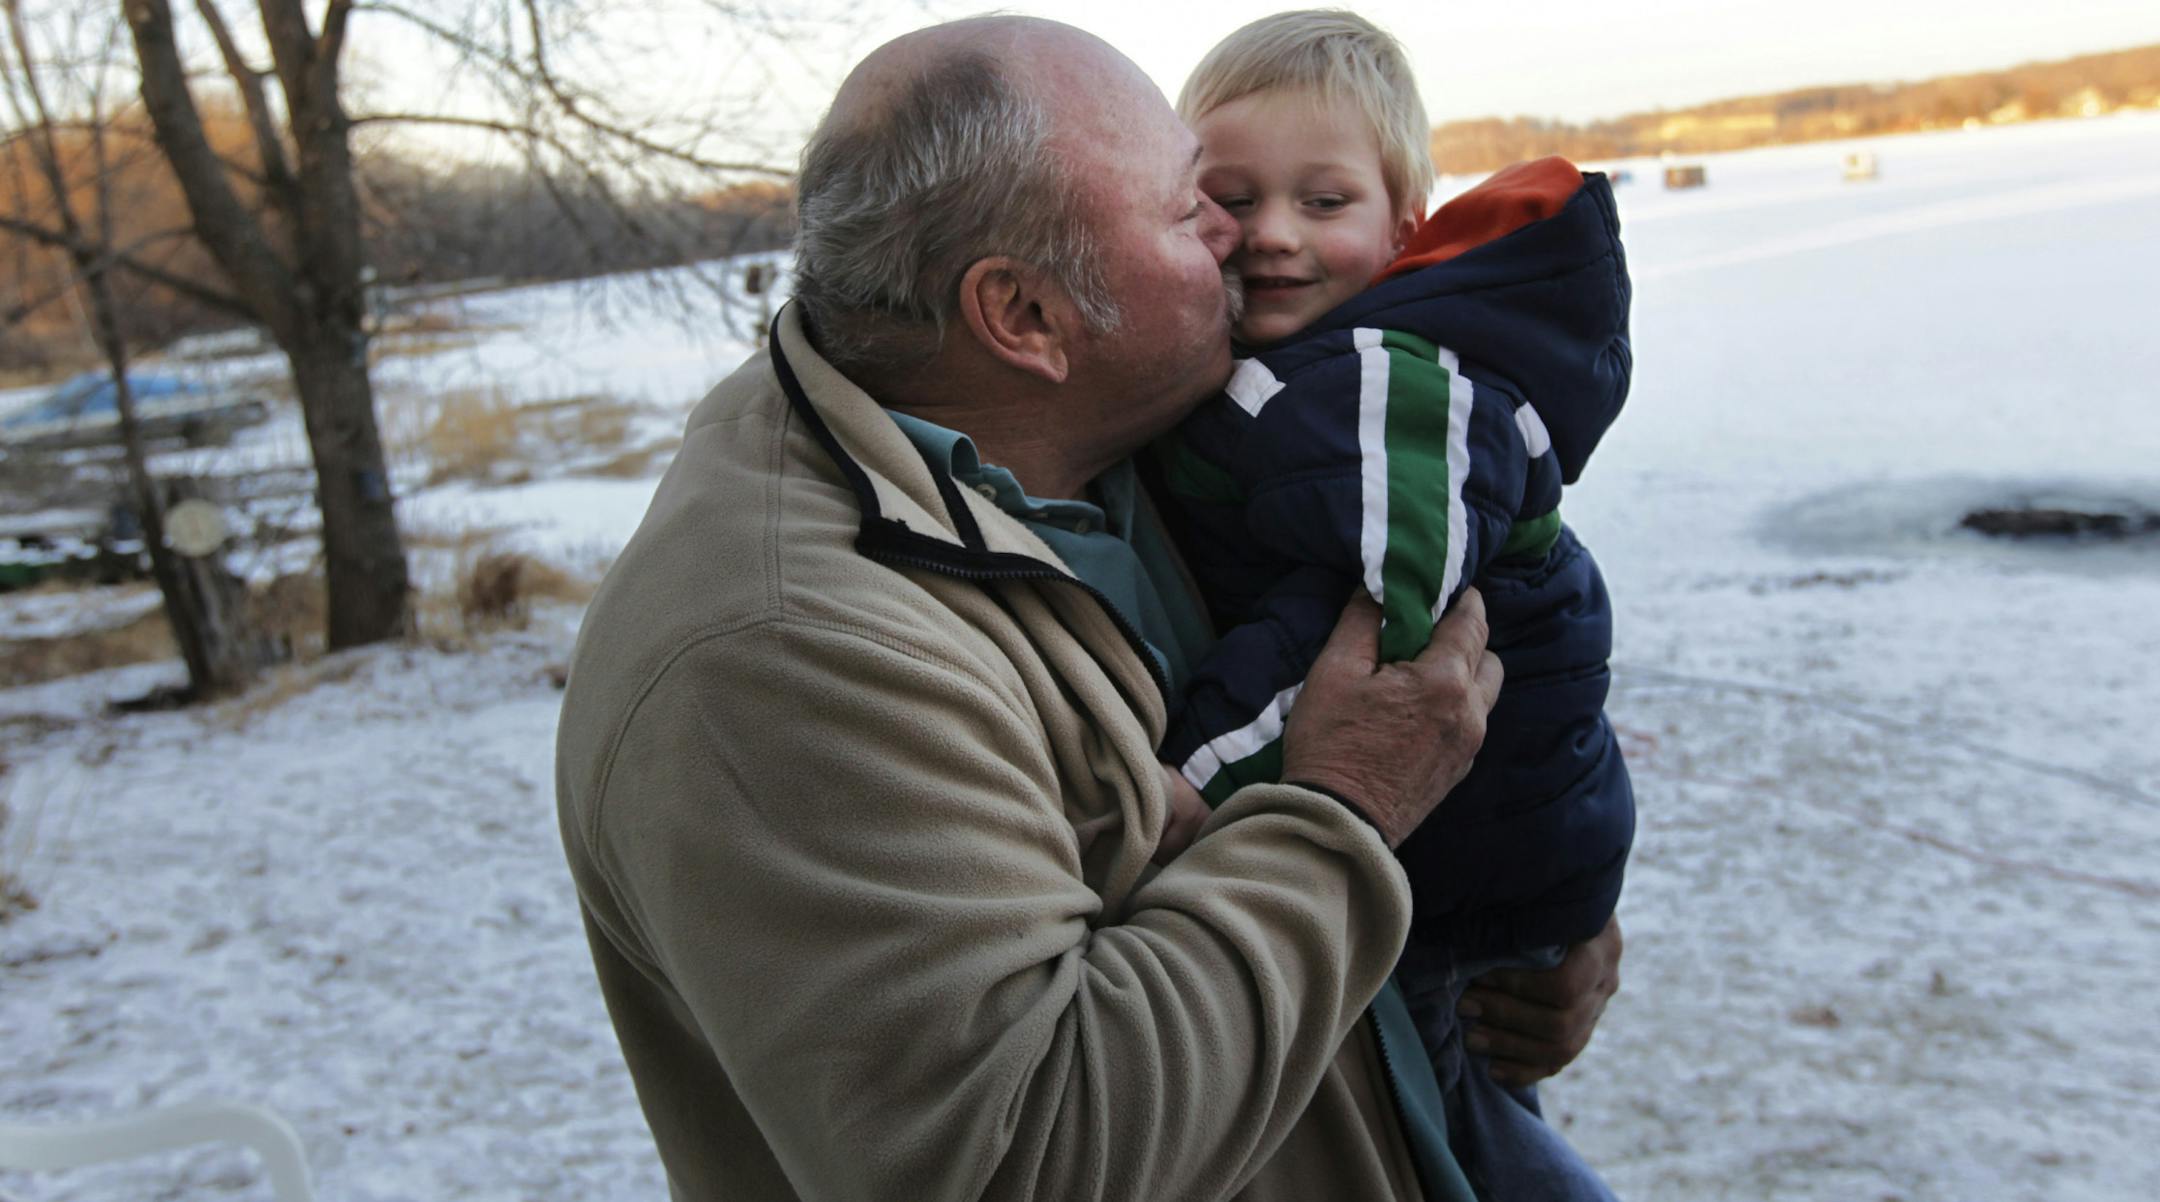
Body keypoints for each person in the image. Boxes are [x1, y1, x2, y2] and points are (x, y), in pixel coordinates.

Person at [555, 15, 1617, 1200]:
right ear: (1023, 317)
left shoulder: (1099, 423)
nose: (1240, 235)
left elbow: (1497, 620)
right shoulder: (775, 657)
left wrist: (1545, 912)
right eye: (1190, 206)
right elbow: (1023, 1156)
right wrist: (1342, 815)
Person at [1147, 12, 1635, 1198]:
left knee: (1455, 1141)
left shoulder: (1378, 384)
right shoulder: (1295, 376)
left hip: (1467, 865)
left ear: (1404, 225)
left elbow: (1376, 638)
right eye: (1233, 198)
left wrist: (1191, 779)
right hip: (1464, 848)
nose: (1274, 233)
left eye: (1324, 202)